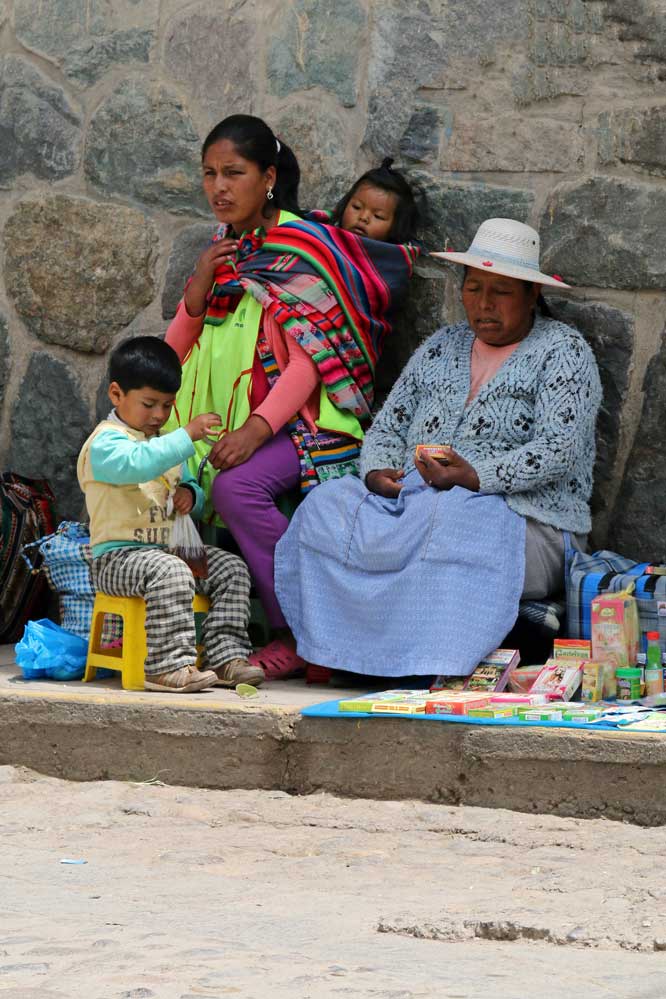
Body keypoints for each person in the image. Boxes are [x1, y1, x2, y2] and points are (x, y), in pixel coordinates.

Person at [275, 218, 603, 680]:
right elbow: (387, 426)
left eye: (502, 291)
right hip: (415, 502)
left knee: (454, 517)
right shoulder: (442, 346)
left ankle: (427, 662)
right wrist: (377, 473)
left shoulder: (562, 350)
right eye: (474, 288)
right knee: (324, 506)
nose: (483, 304)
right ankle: (339, 652)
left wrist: (474, 477)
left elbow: (558, 449)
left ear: (532, 295)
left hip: (526, 519)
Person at [165, 115, 418, 679]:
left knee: (237, 485)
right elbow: (174, 353)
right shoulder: (224, 249)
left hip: (308, 421)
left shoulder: (305, 245)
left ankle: (300, 630)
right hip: (229, 417)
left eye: (234, 172)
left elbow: (313, 358)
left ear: (269, 177)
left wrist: (256, 429)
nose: (219, 188)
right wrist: (199, 287)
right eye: (209, 174)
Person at [77, 337, 264, 693]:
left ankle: (224, 656)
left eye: (167, 405)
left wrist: (189, 495)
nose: (159, 415)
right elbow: (136, 465)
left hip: (167, 554)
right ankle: (166, 666)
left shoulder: (164, 442)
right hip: (118, 560)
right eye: (149, 404)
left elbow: (191, 486)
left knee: (231, 570)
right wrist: (186, 436)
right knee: (172, 570)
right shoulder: (106, 443)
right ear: (117, 395)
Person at [332, 157, 420, 243]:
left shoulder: (395, 257)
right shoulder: (322, 235)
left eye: (378, 216)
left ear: (396, 226)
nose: (363, 217)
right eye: (357, 207)